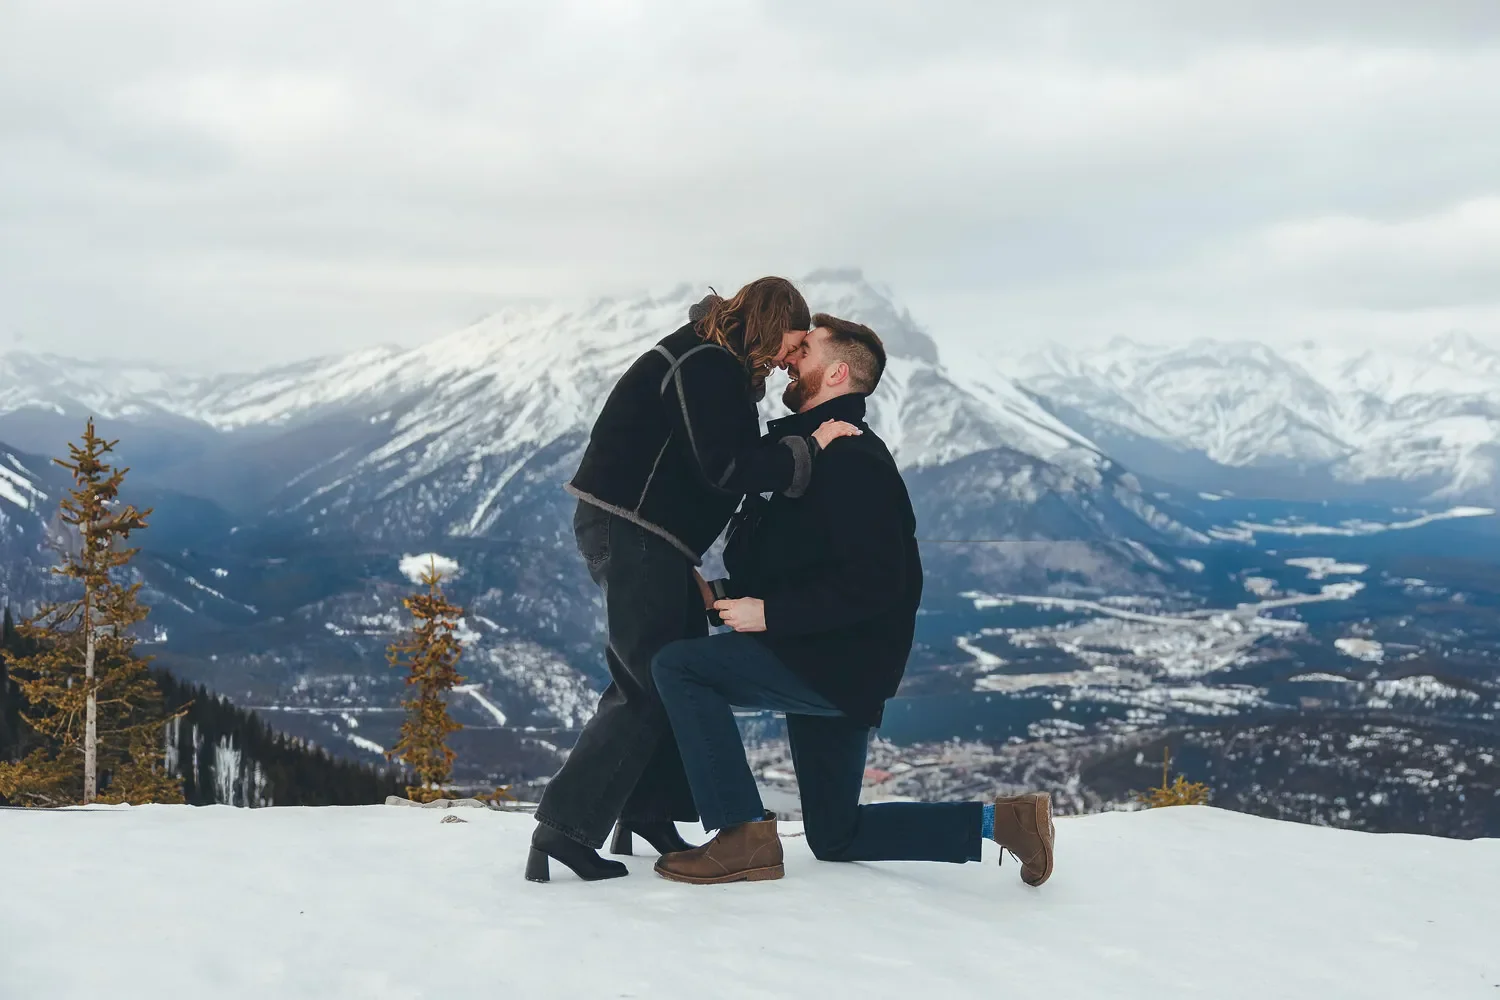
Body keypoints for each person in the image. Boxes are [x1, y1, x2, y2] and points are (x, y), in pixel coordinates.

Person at [649, 314, 1056, 886]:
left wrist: (769, 613)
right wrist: (723, 595)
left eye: (805, 349)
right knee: (835, 835)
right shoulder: (806, 450)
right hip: (831, 659)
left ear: (837, 372)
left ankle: (741, 835)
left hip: (832, 663)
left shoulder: (851, 460)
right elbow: (799, 564)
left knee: (680, 668)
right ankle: (1007, 822)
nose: (790, 356)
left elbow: (878, 580)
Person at [526, 278, 861, 883]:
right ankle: (563, 830)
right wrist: (810, 444)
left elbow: (723, 451)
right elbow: (725, 466)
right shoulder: (707, 363)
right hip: (632, 532)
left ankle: (650, 811)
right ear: (769, 321)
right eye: (791, 344)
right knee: (649, 683)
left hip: (652, 538)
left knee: (674, 671)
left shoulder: (714, 361)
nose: (790, 359)